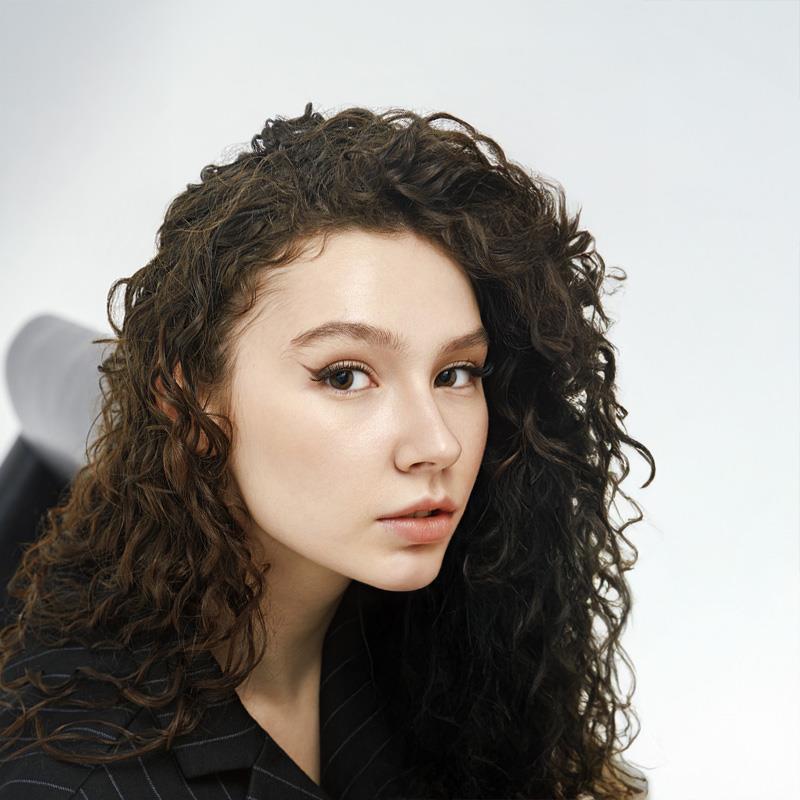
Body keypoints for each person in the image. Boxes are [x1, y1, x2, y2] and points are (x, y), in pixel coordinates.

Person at [0, 102, 654, 799]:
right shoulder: (72, 785)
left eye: (456, 374)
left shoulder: (457, 642)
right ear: (187, 402)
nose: (437, 444)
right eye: (345, 376)